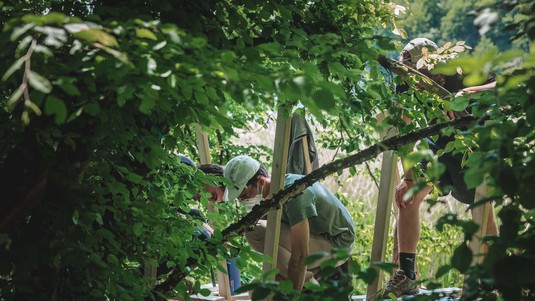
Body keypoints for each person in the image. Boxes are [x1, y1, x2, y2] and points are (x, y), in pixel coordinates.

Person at [382, 38, 499, 298]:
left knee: (482, 213)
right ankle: (407, 275)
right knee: (407, 197)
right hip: (438, 145)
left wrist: (471, 92)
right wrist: (410, 178)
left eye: (422, 75)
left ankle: (491, 278)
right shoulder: (406, 80)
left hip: (473, 148)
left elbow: (503, 86)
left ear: (435, 63)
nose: (417, 82)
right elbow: (404, 128)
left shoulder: (461, 69)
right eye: (412, 76)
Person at [222, 155, 355, 291]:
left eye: (245, 196)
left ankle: (311, 290)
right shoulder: (271, 197)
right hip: (316, 241)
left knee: (254, 230)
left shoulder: (293, 193)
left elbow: (300, 255)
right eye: (240, 199)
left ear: (261, 182)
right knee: (257, 290)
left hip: (337, 242)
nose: (244, 201)